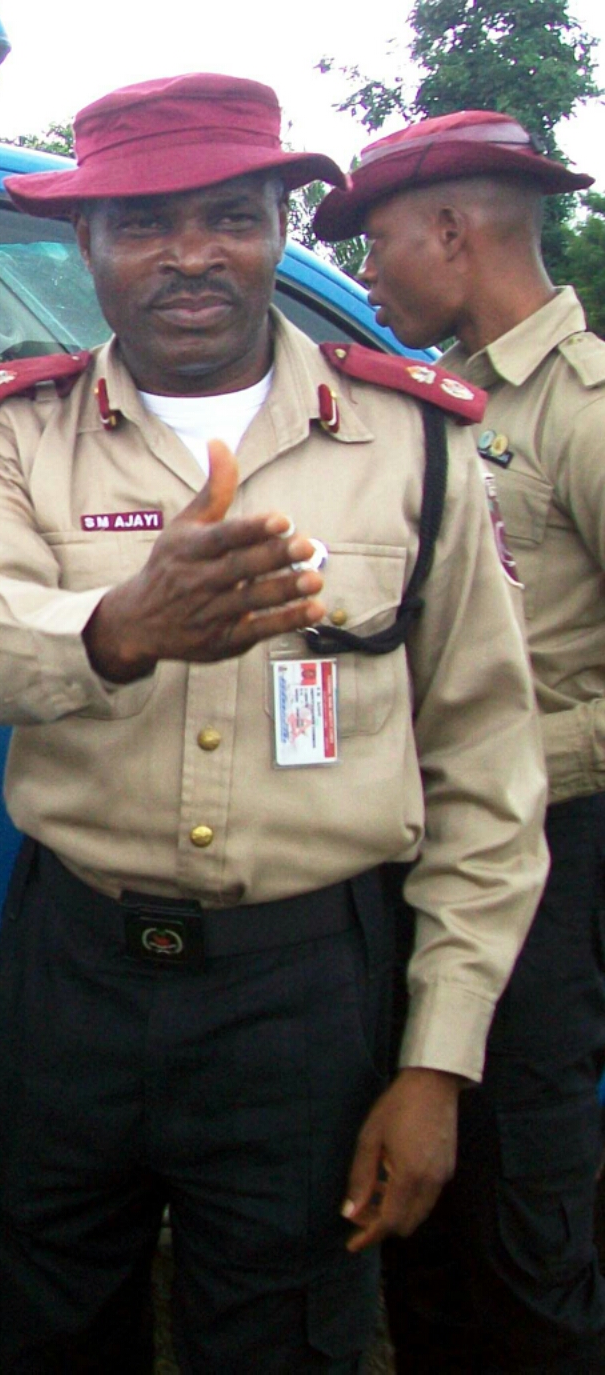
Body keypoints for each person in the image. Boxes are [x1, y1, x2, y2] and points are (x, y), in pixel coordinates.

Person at [0, 74, 548, 1371]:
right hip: (72, 975)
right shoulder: (14, 434)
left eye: (232, 215)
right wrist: (121, 625)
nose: (192, 253)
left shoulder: (416, 440)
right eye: (144, 222)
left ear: (282, 226)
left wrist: (436, 1062)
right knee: (36, 1320)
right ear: (83, 243)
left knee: (284, 1336)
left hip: (309, 987)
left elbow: (487, 765)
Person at [314, 110, 605, 1373]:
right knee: (418, 1198)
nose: (365, 276)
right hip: (425, 840)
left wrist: (538, 753)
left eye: (376, 246)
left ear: (451, 231)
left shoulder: (582, 412)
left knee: (518, 1207)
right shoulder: (430, 407)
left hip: (547, 853)